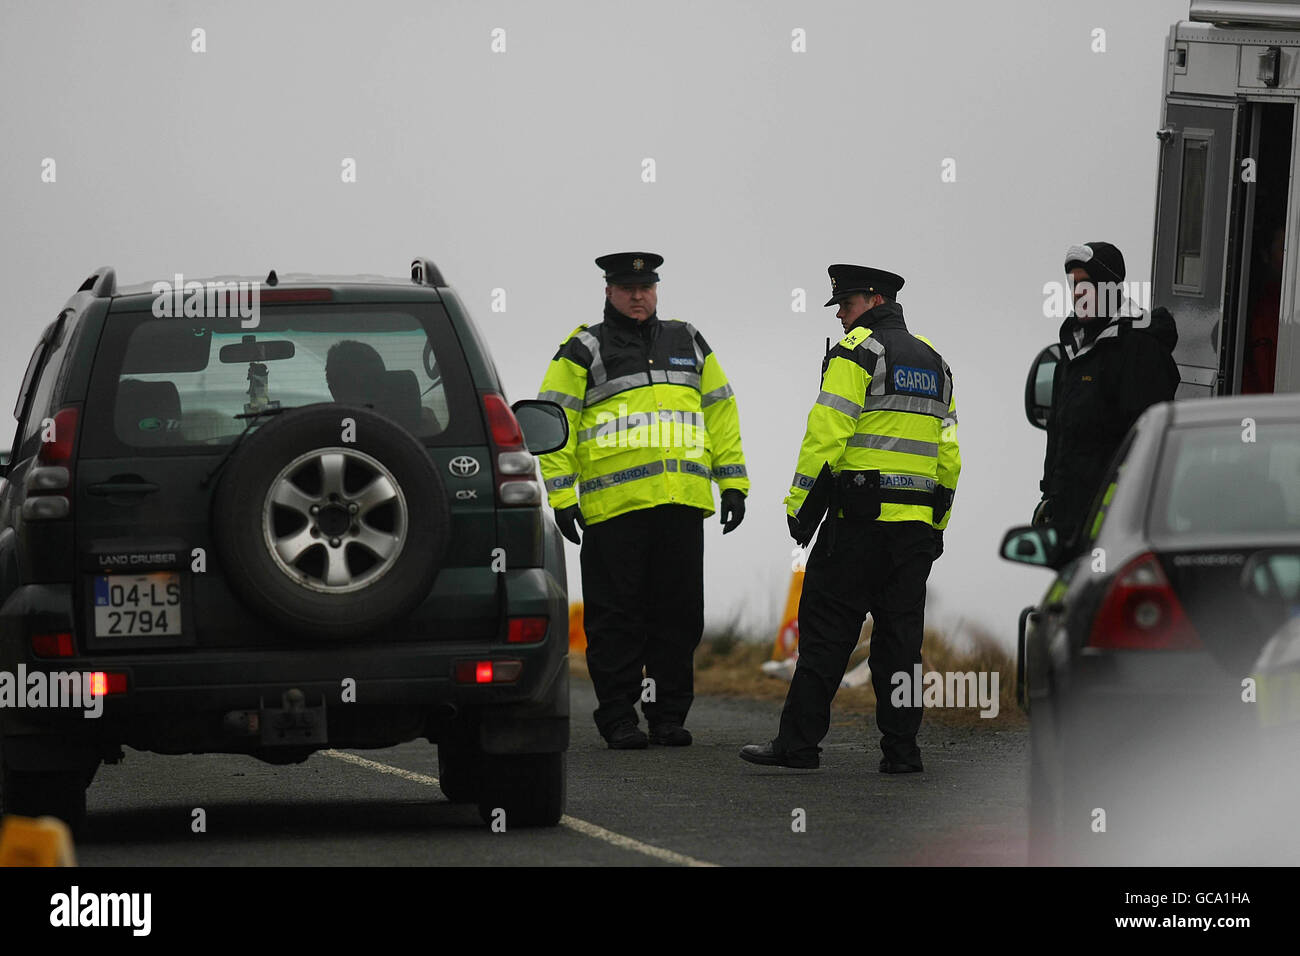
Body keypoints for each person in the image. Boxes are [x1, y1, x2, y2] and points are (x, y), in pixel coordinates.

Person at [740, 264, 959, 772]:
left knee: (825, 636)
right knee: (901, 643)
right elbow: (949, 454)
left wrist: (800, 510)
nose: (840, 314)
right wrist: (938, 522)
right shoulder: (935, 361)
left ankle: (797, 746)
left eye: (846, 302)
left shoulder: (858, 351)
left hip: (858, 525)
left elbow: (826, 435)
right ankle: (902, 753)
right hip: (914, 531)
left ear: (874, 300)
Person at [537, 252, 749, 749]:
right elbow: (552, 421)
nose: (638, 296)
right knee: (616, 620)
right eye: (628, 287)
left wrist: (734, 482)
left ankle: (668, 716)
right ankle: (618, 717)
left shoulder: (688, 339)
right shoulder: (583, 347)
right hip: (615, 510)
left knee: (678, 617)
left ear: (656, 289)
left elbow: (721, 412)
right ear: (609, 291)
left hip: (682, 503)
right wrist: (562, 496)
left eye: (646, 286)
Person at [1033, 242, 1180, 547]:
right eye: (1073, 285)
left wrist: (1117, 515)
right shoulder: (1073, 351)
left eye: (1084, 284)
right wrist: (1049, 498)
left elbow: (1146, 446)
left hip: (1114, 528)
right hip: (1069, 524)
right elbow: (1060, 435)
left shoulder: (1138, 349)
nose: (1076, 293)